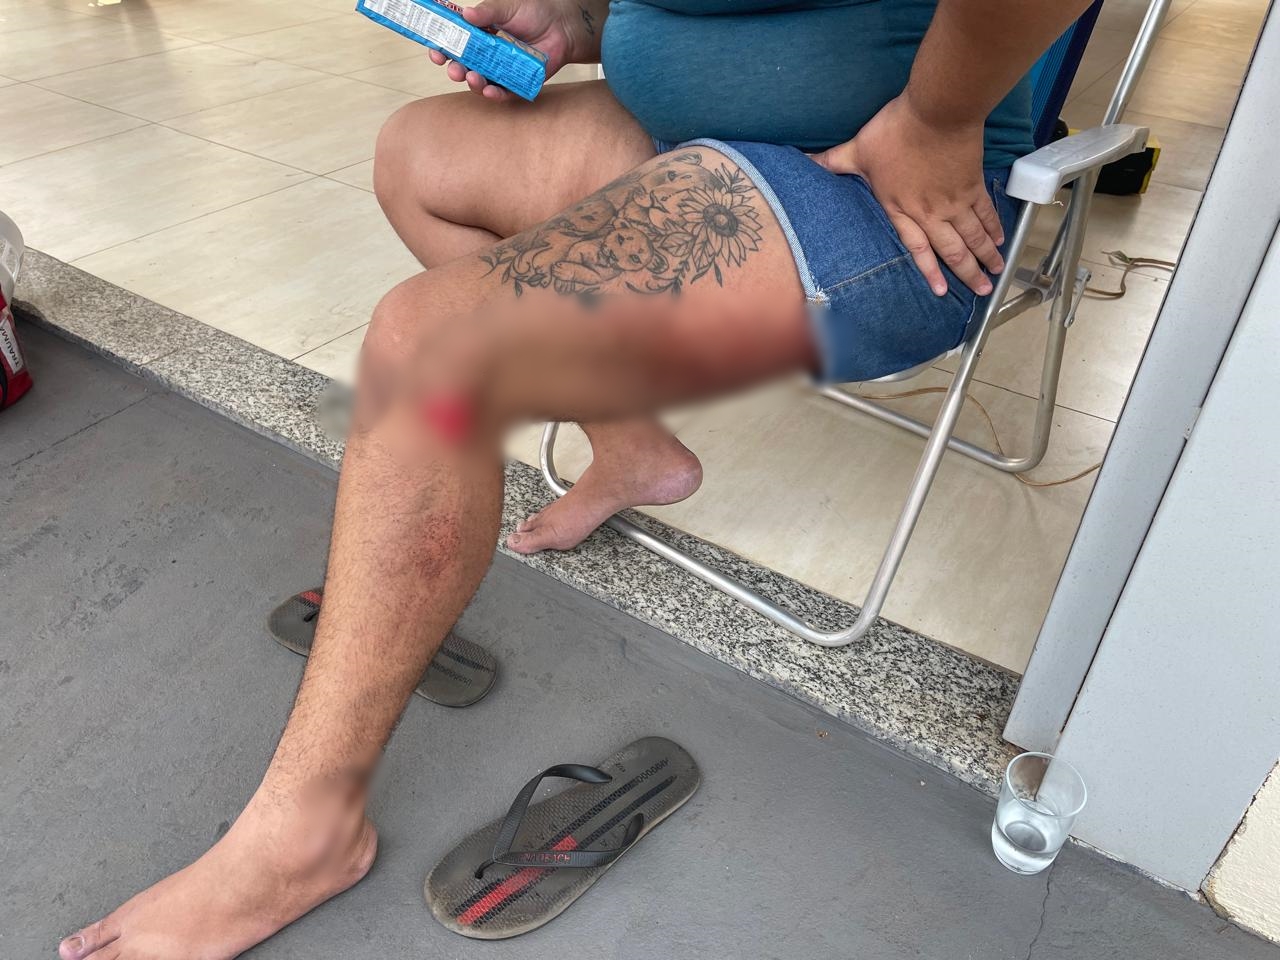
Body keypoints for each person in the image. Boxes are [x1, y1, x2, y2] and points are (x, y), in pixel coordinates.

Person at [58, 1, 1090, 957]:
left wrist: (938, 116)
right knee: (415, 154)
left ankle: (304, 835)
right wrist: (576, 21)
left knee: (433, 352)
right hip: (691, 138)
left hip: (874, 182)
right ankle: (631, 446)